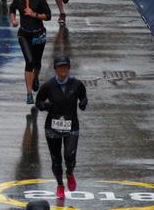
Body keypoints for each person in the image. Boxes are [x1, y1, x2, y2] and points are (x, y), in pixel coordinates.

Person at [36, 55, 88, 202]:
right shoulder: (48, 86)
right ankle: (60, 185)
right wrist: (44, 106)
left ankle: (70, 173)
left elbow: (83, 97)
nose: (63, 69)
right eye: (60, 67)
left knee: (69, 155)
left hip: (72, 125)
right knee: (56, 159)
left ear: (69, 68)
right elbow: (38, 102)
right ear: (55, 69)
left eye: (65, 66)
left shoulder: (76, 84)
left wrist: (83, 103)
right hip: (52, 128)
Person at [10, 0, 52, 104]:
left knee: (37, 63)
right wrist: (13, 20)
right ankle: (29, 93)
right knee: (29, 61)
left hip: (38, 35)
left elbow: (48, 16)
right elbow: (12, 9)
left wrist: (34, 14)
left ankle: (35, 77)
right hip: (24, 35)